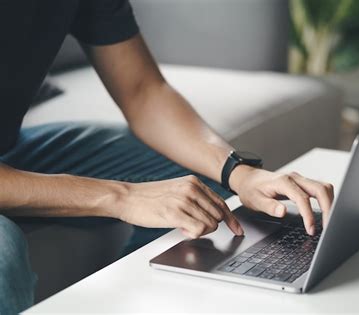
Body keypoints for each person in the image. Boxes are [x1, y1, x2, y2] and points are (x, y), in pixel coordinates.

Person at [0, 0, 334, 313]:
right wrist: (121, 197)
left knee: (198, 186)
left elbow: (143, 91)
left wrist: (238, 172)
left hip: (13, 148)